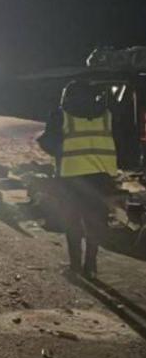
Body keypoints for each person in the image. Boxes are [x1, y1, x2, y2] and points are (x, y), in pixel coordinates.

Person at [37, 80, 117, 277]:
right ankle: (91, 266)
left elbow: (48, 143)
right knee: (95, 221)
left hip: (71, 177)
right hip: (101, 177)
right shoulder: (106, 114)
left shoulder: (61, 115)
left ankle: (75, 266)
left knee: (72, 221)